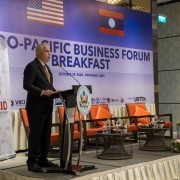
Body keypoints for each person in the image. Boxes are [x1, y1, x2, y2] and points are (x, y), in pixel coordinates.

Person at [23, 43, 58, 172]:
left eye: (50, 51)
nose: (50, 54)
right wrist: (42, 92)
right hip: (36, 108)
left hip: (47, 107)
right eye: (47, 51)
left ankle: (43, 159)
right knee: (36, 135)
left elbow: (49, 86)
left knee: (45, 135)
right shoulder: (32, 66)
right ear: (39, 53)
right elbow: (27, 85)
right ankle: (32, 162)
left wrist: (56, 92)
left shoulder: (46, 68)